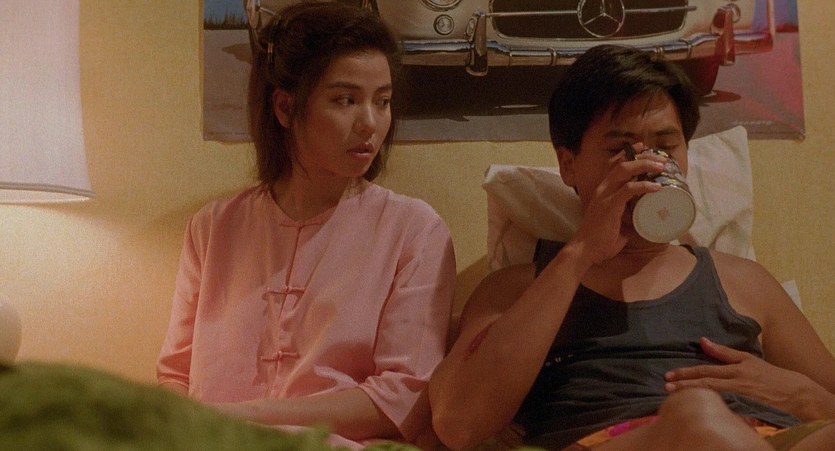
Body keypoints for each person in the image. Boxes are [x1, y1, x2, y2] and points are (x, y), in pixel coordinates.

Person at [428, 44, 835, 450]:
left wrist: (802, 395)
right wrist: (580, 252)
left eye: (666, 147)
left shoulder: (744, 281)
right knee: (696, 416)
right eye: (619, 150)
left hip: (771, 438)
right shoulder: (516, 289)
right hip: (623, 438)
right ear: (568, 164)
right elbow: (458, 424)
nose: (649, 166)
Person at [156, 3, 456, 449]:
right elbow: (175, 376)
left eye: (382, 101)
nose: (370, 123)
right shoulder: (213, 228)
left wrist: (239, 418)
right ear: (285, 106)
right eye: (345, 100)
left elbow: (402, 400)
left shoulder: (415, 231)